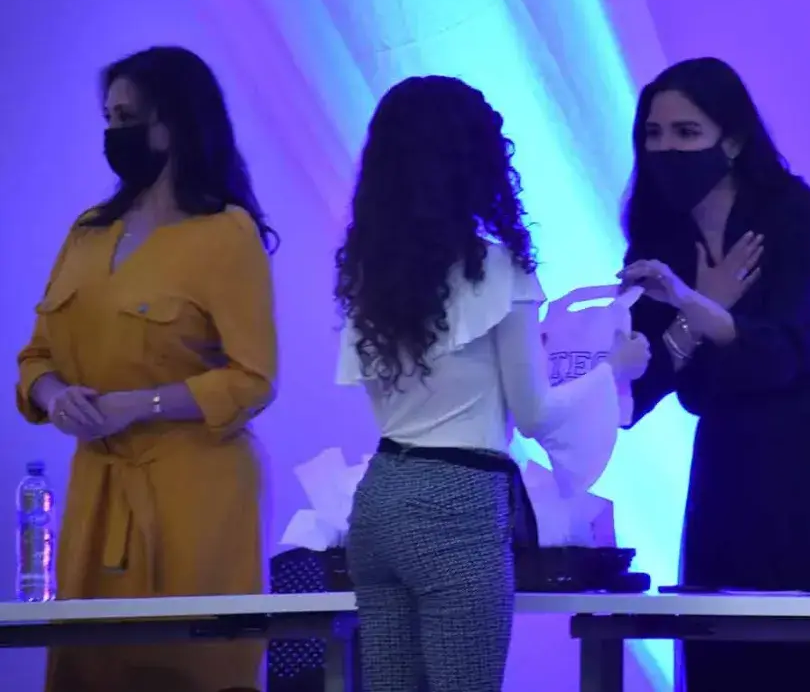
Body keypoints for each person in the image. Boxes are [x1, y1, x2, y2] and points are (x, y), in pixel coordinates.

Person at [618, 57, 810, 692]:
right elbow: (640, 389)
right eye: (654, 133)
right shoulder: (661, 238)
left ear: (732, 140)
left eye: (686, 132)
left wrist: (698, 306)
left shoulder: (792, 216)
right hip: (729, 464)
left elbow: (786, 352)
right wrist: (698, 312)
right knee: (732, 653)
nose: (666, 148)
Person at [334, 75, 650, 692]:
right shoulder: (500, 270)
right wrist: (611, 371)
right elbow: (534, 414)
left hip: (380, 497)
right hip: (460, 501)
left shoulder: (371, 274)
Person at [15, 46, 278, 692]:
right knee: (88, 666)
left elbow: (253, 377)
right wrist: (54, 395)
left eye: (127, 117)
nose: (114, 133)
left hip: (193, 495)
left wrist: (140, 404)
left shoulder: (225, 233)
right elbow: (35, 357)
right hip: (97, 494)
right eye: (108, 118)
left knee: (188, 666)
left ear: (175, 121)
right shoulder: (88, 231)